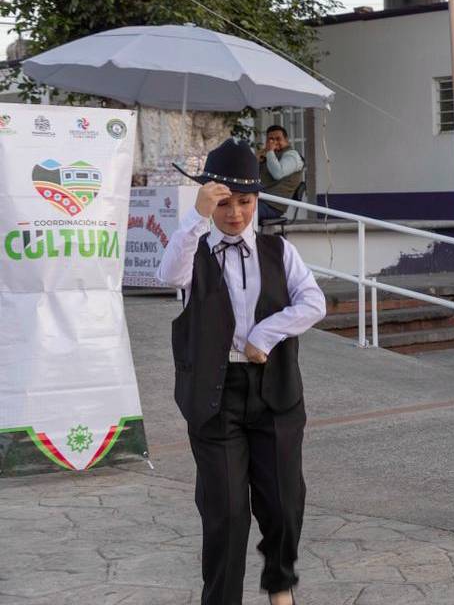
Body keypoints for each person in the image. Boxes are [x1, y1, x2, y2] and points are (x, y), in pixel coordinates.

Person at [158, 138, 326, 605]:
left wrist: (265, 334)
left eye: (245, 203)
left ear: (257, 202)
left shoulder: (279, 252)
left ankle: (280, 587)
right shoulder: (194, 250)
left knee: (285, 504)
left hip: (276, 393)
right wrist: (195, 216)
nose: (235, 214)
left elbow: (315, 302)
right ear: (211, 202)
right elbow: (167, 276)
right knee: (227, 513)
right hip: (216, 397)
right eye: (225, 203)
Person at [257, 125, 305, 222]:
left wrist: (270, 151)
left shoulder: (292, 156)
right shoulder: (270, 155)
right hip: (260, 199)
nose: (274, 142)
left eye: (278, 139)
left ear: (286, 139)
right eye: (271, 139)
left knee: (243, 212)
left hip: (273, 206)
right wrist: (256, 160)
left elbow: (278, 173)